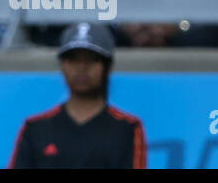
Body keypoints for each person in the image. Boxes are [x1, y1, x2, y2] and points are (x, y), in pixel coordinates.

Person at [8, 22, 146, 168]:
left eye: (92, 59)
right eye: (73, 59)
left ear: (108, 66)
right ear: (62, 65)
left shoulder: (127, 128)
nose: (81, 67)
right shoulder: (36, 128)